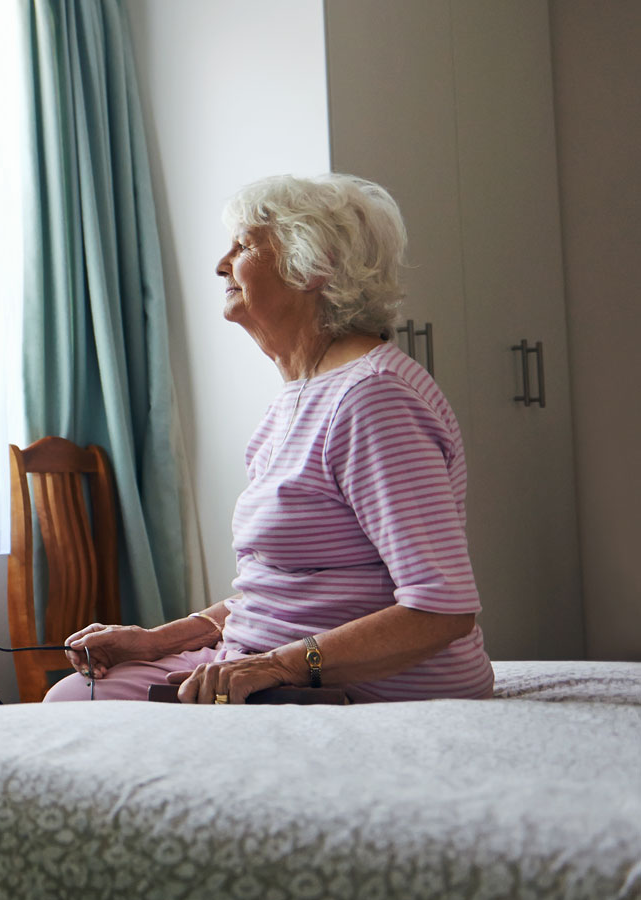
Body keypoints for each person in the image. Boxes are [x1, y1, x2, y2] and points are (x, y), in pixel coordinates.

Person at [44, 172, 493, 706]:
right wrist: (156, 641)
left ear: (313, 267)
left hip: (357, 683)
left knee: (77, 708)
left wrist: (280, 665)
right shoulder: (298, 398)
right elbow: (281, 588)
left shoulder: (374, 397)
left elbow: (441, 609)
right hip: (260, 663)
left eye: (244, 246)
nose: (221, 264)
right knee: (76, 694)